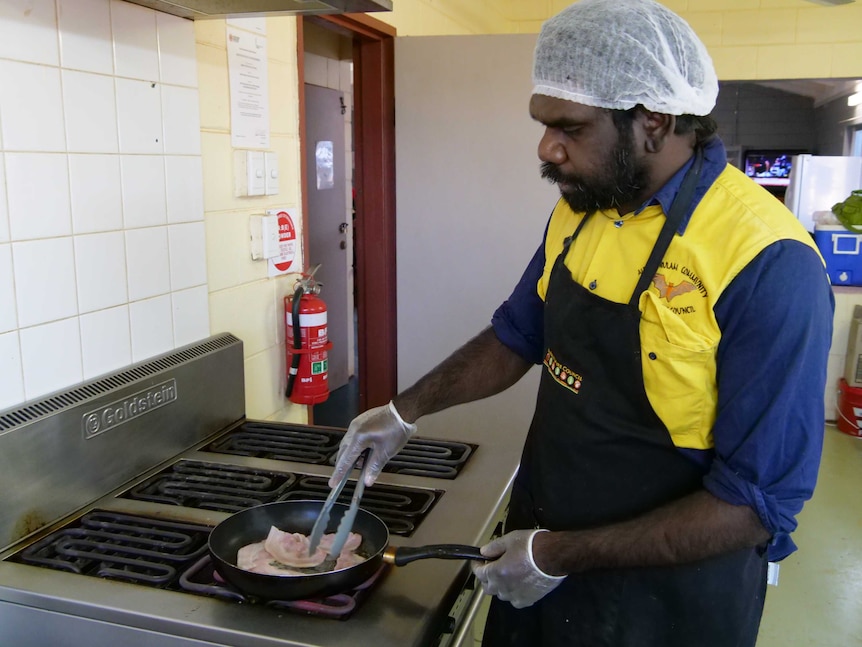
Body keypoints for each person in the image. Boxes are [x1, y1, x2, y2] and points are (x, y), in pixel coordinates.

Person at [329, 0, 835, 645]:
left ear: (653, 121)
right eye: (543, 124)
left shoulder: (766, 261)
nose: (547, 148)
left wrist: (557, 555)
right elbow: (519, 333)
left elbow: (757, 503)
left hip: (667, 596)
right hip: (539, 541)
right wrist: (405, 410)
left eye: (569, 127)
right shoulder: (585, 208)